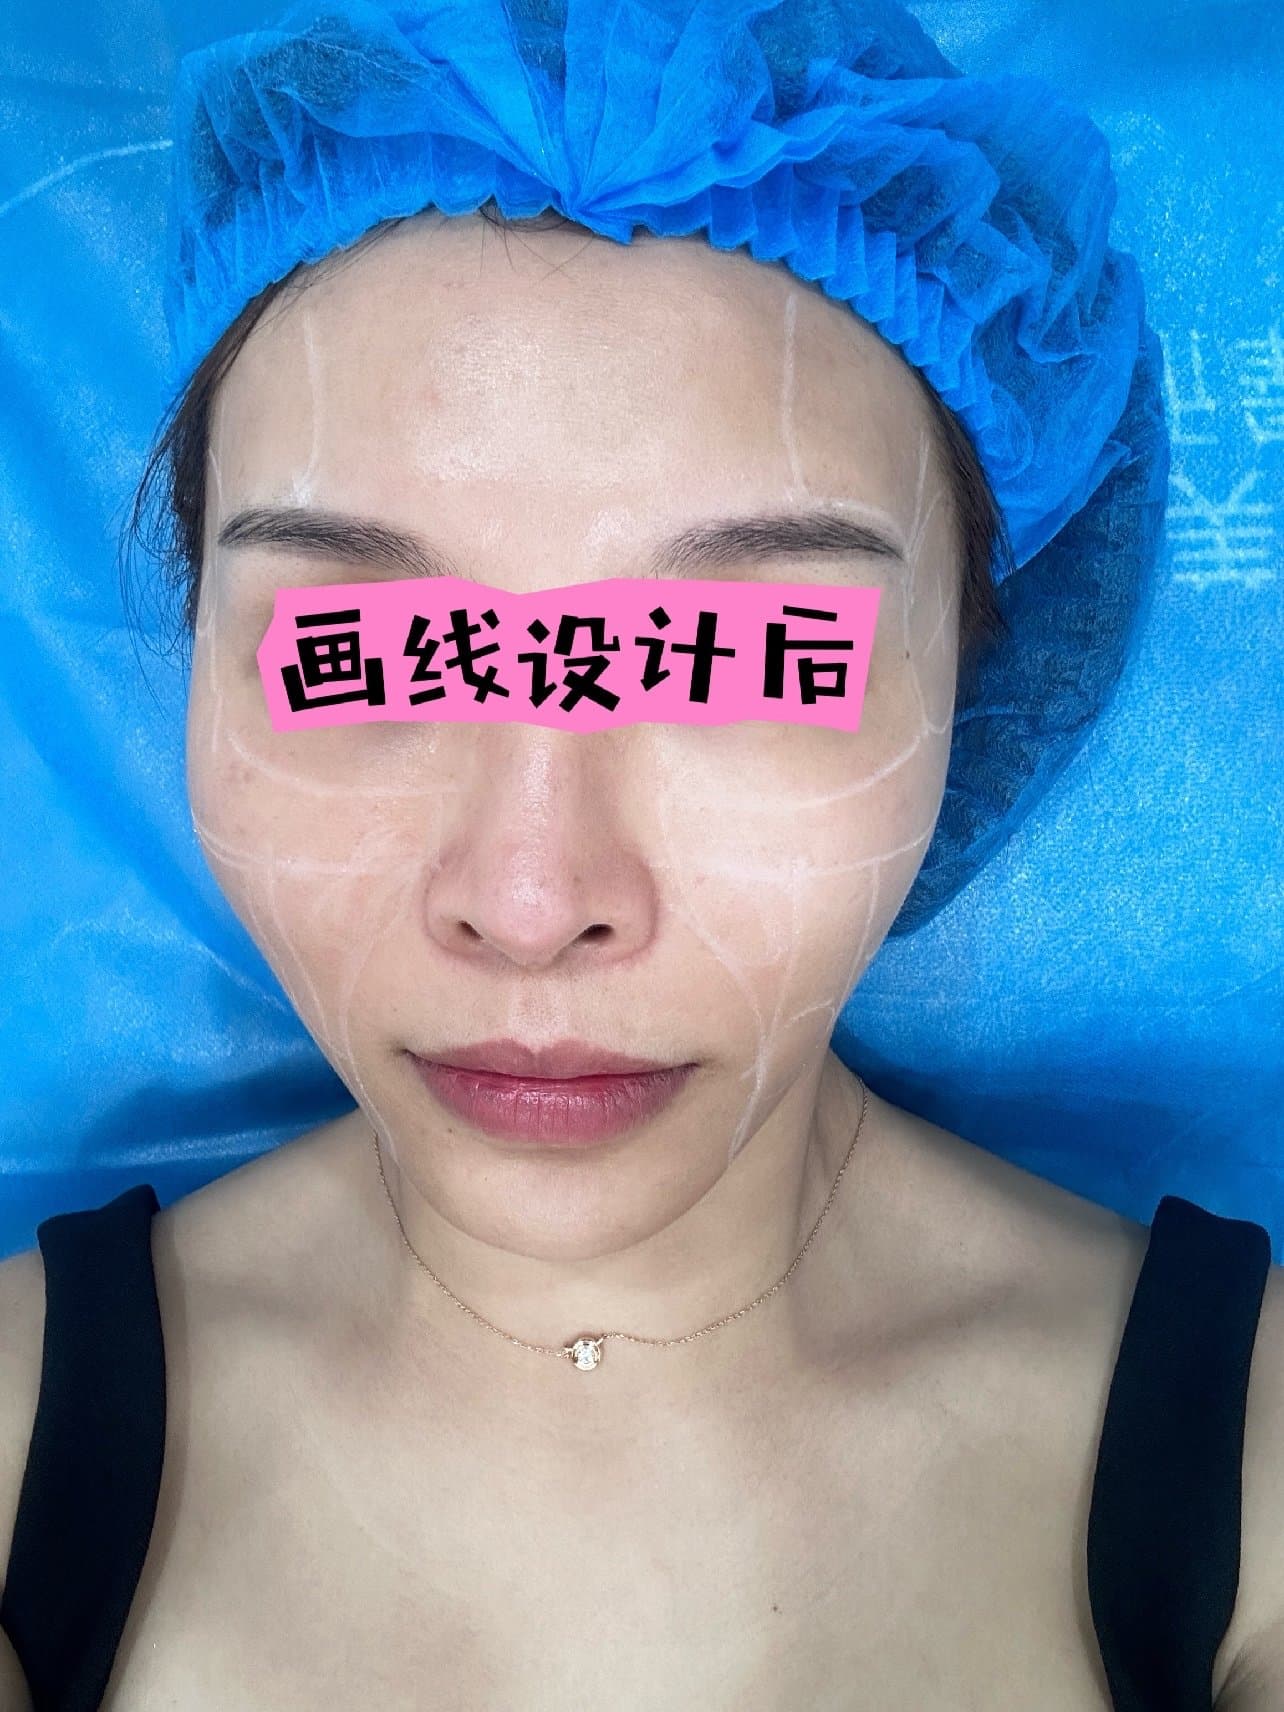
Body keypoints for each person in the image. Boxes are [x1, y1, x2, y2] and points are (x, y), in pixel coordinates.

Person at [1, 4, 1281, 1708]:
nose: (532, 903)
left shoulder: (1256, 1476)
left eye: (743, 663)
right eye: (366, 654)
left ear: (974, 684)